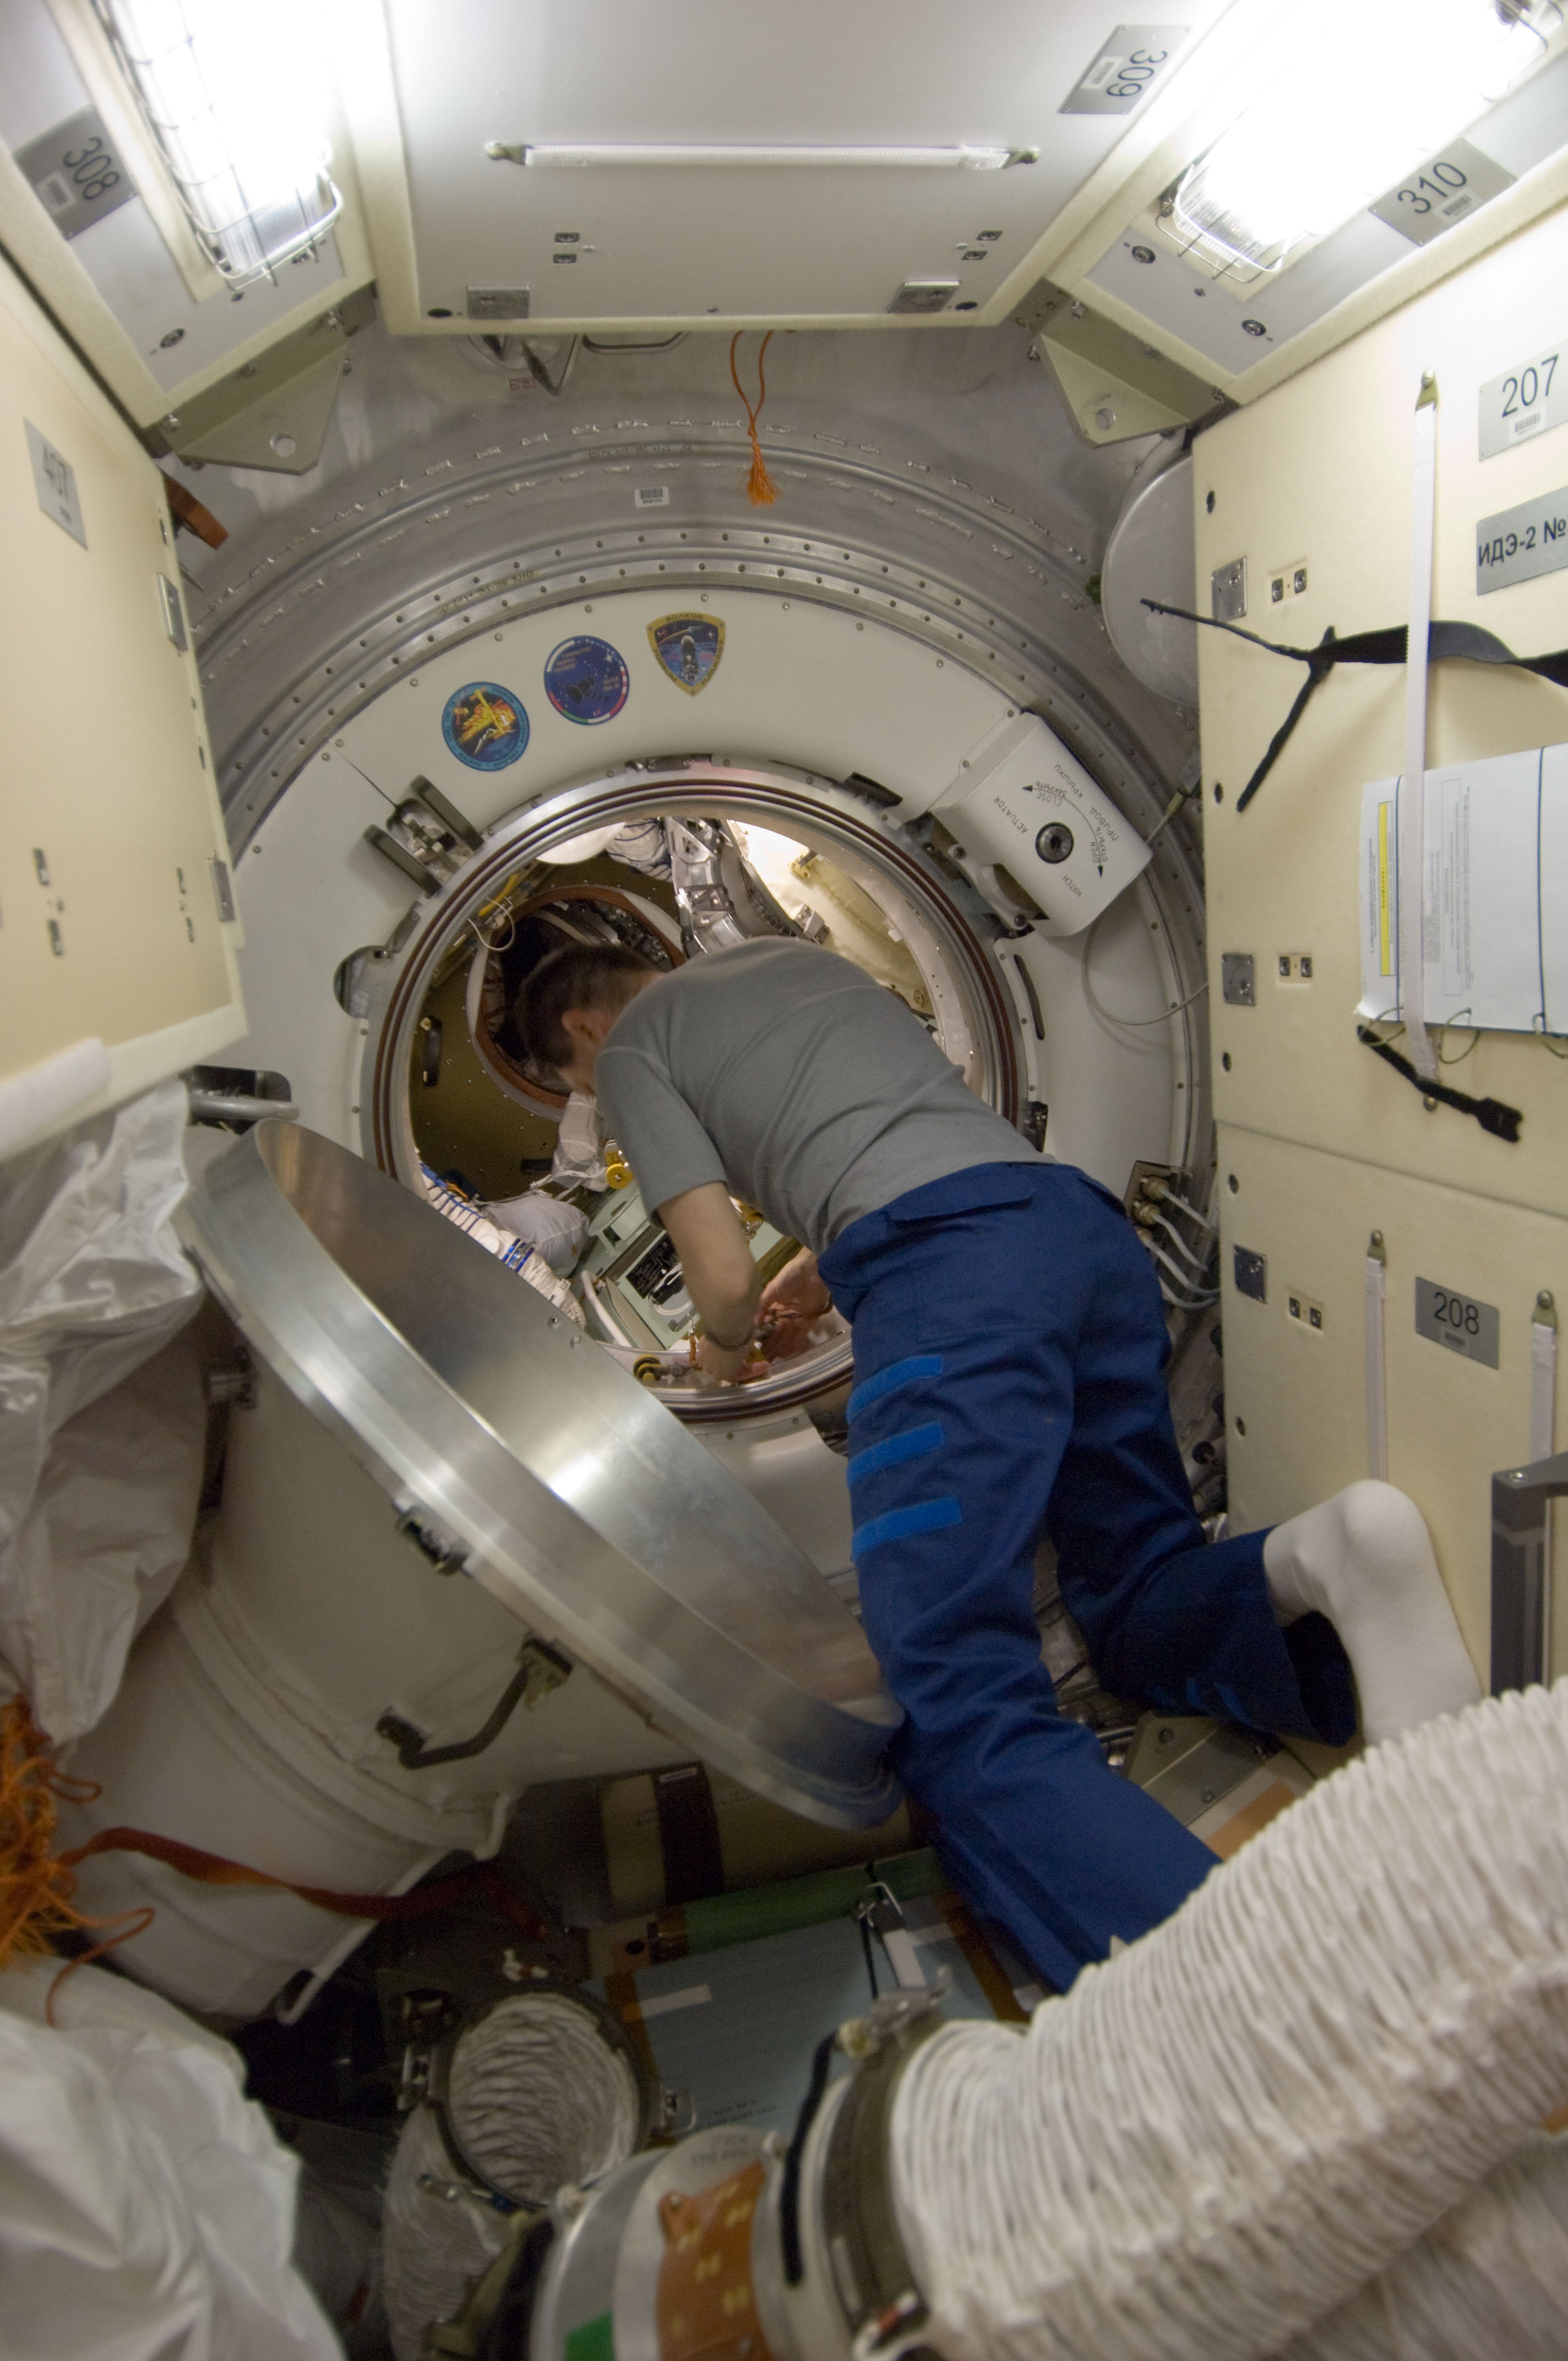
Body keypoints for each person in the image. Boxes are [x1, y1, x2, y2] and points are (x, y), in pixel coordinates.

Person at [518, 935, 1480, 1990]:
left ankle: (1265, 2001)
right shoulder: (786, 957)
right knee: (1133, 1587)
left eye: (579, 1086)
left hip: (950, 1287)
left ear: (581, 1029)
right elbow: (920, 1132)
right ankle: (1330, 1557)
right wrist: (820, 1274)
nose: (597, 1097)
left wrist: (716, 1361)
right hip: (1074, 1231)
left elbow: (721, 1281)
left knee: (950, 1691)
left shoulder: (631, 1052)